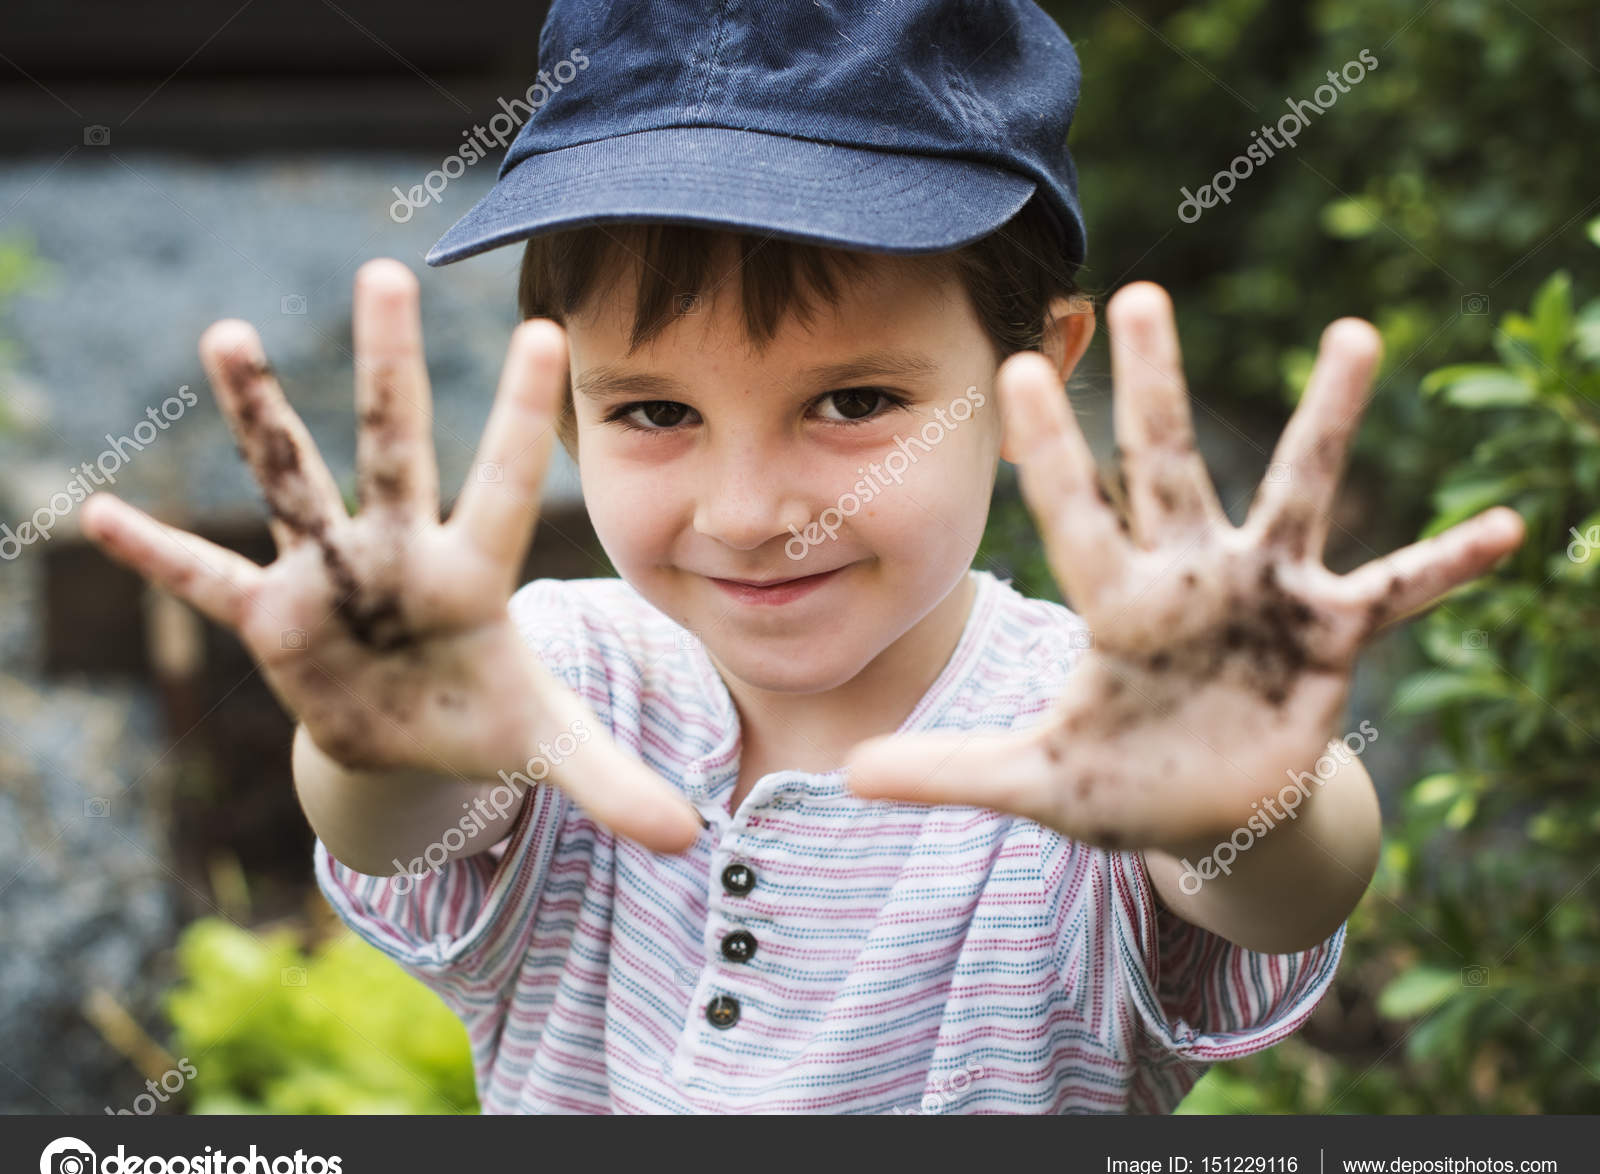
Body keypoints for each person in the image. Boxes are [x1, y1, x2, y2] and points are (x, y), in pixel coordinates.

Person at [80, 0, 1523, 1113]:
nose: (753, 506)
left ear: (1039, 365)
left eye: (854, 403)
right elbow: (391, 816)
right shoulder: (551, 682)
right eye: (654, 410)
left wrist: (1253, 799)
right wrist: (376, 743)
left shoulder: (1099, 735)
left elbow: (1278, 883)